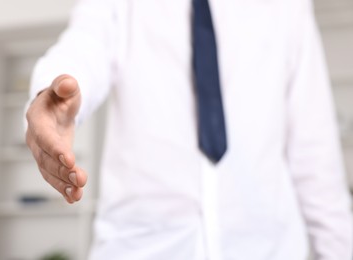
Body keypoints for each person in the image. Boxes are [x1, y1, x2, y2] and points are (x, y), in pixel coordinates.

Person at [25, 0, 353, 259]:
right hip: (140, 249)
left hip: (267, 249)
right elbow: (85, 43)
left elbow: (317, 160)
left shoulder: (287, 6)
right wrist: (52, 92)